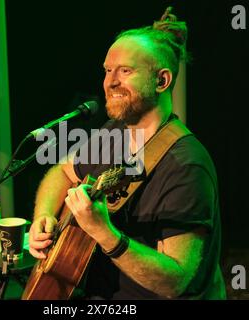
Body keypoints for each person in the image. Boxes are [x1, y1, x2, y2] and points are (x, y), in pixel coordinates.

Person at [28, 7, 226, 299]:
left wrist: (104, 233)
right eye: (108, 70)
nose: (110, 82)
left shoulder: (186, 166)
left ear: (162, 81)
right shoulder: (115, 130)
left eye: (126, 71)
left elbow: (175, 282)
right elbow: (62, 172)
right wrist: (43, 217)